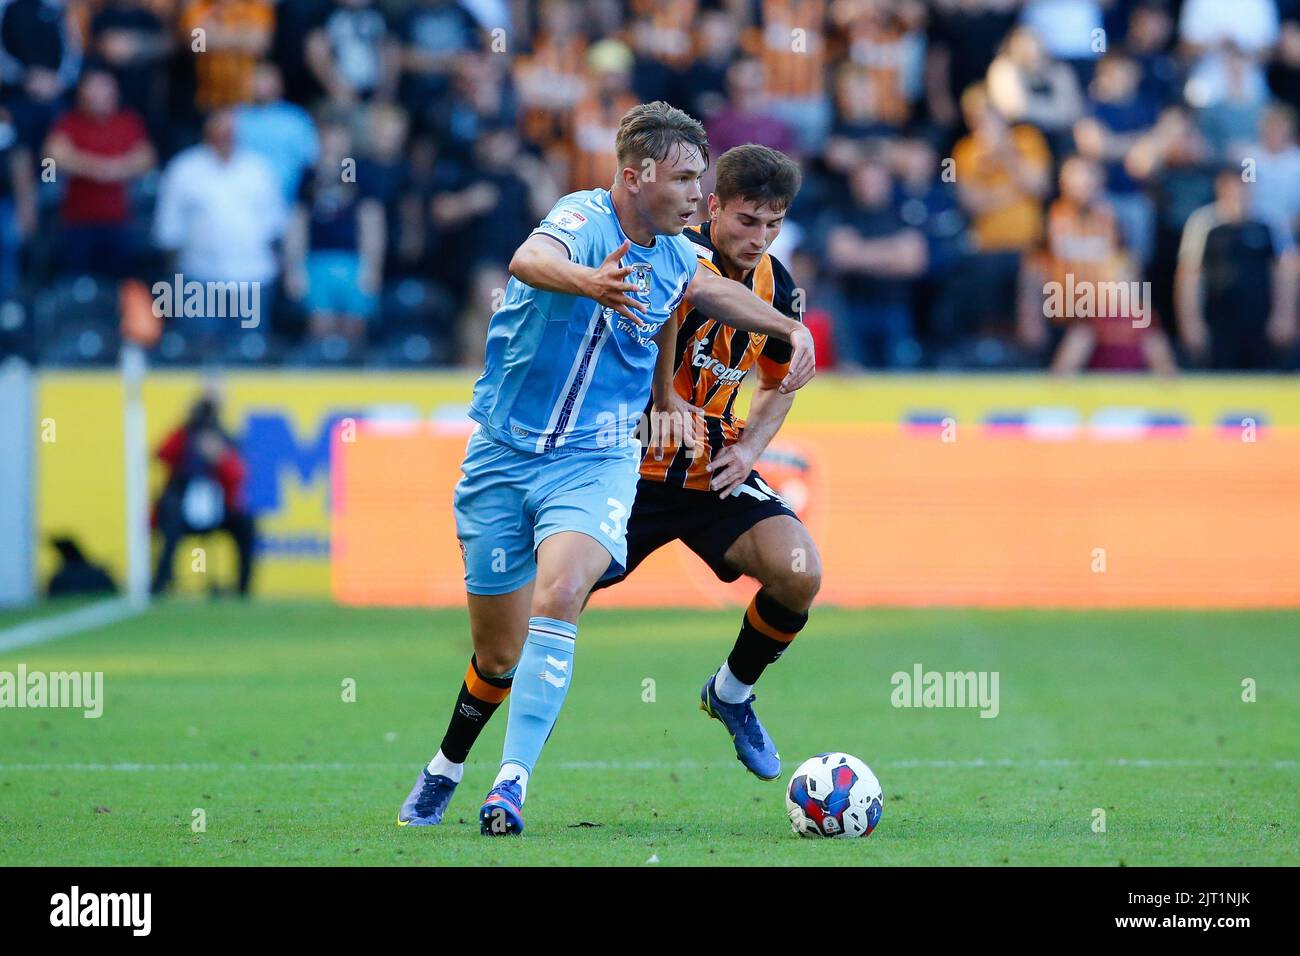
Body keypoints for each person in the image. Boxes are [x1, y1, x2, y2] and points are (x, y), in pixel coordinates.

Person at [396, 101, 816, 835]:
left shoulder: (685, 257)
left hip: (600, 460)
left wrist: (783, 331)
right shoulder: (582, 220)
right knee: (499, 652)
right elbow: (527, 261)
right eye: (687, 180)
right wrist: (591, 283)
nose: (695, 193)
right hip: (504, 455)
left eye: (699, 179)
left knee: (564, 594)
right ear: (635, 176)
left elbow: (694, 296)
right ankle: (446, 767)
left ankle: (511, 787)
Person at [587, 144, 821, 782]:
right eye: (747, 221)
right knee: (544, 606)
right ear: (713, 207)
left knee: (799, 573)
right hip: (628, 470)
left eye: (773, 225)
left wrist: (749, 449)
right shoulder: (671, 255)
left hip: (713, 472)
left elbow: (778, 385)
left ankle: (731, 694)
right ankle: (478, 762)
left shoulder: (781, 288)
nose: (760, 238)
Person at [1175, 164, 1299, 369]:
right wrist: (1191, 321)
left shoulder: (1269, 222)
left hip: (1260, 321)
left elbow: (1285, 270)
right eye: (1233, 186)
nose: (1239, 192)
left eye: (1244, 186)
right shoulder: (1203, 222)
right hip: (1218, 321)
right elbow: (1189, 274)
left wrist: (1284, 315)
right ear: (1221, 187)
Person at [150, 395, 256, 597]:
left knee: (246, 523)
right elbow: (160, 454)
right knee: (170, 522)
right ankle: (160, 584)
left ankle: (243, 589)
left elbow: (239, 476)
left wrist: (219, 458)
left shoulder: (224, 440)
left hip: (218, 507)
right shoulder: (183, 436)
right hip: (182, 506)